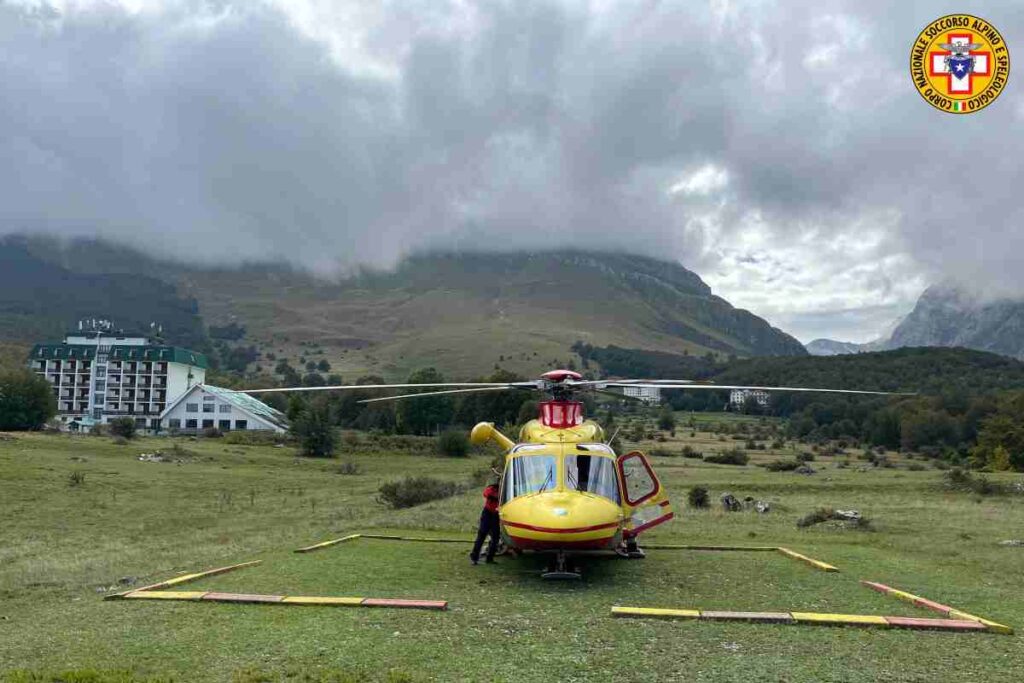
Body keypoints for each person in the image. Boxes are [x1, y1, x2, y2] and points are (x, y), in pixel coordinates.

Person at [470, 479, 501, 565]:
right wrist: (497, 496)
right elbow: (486, 493)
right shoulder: (492, 488)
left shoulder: (506, 490)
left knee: (495, 537)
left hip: (496, 515)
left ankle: (490, 558)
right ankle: (474, 557)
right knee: (482, 535)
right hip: (488, 514)